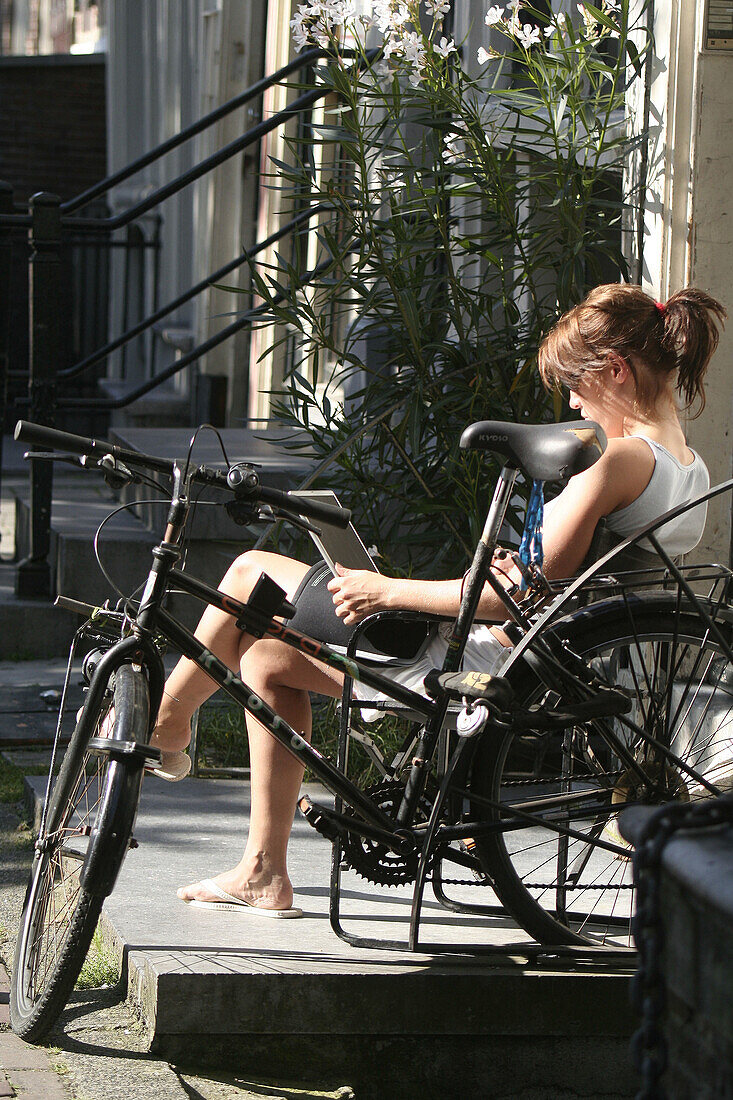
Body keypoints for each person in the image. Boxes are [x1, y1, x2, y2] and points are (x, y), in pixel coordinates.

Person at [148, 284, 726, 916]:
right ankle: (263, 869)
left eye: (574, 385)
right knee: (265, 662)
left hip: (485, 661)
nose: (570, 402)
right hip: (541, 654)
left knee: (249, 571)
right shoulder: (686, 463)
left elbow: (514, 596)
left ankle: (165, 727)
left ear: (615, 370)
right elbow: (551, 582)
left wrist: (386, 591)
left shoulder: (617, 458)